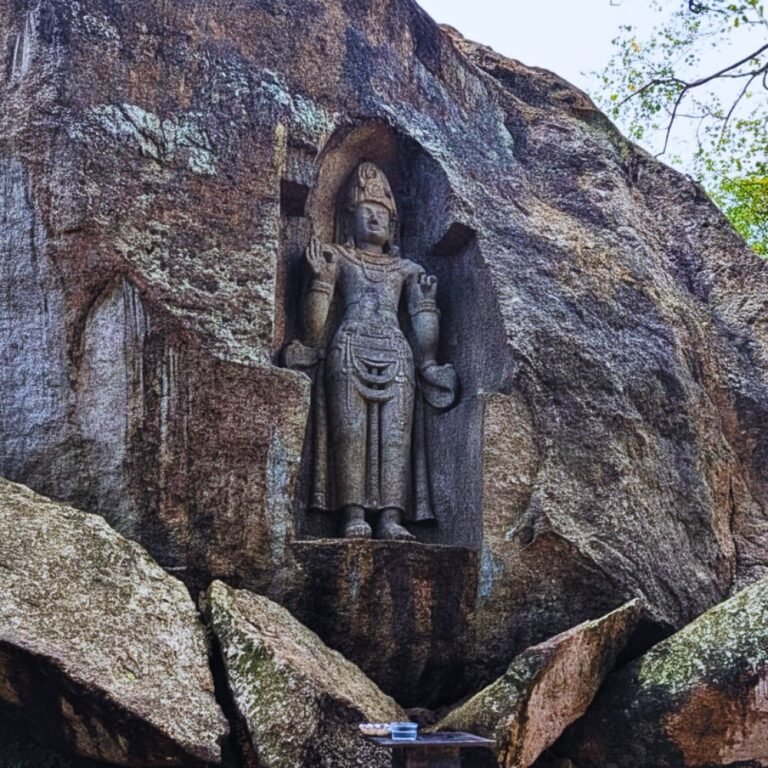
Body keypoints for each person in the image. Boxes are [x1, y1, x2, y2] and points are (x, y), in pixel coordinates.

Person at [288, 162, 457, 539]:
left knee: (396, 436)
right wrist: (320, 282)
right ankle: (352, 514)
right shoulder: (337, 258)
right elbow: (315, 327)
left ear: (393, 224)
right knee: (351, 430)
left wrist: (428, 354)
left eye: (381, 214)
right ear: (350, 218)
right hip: (348, 349)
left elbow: (422, 322)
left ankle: (392, 518)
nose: (374, 219)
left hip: (397, 355)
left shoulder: (407, 269)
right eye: (367, 212)